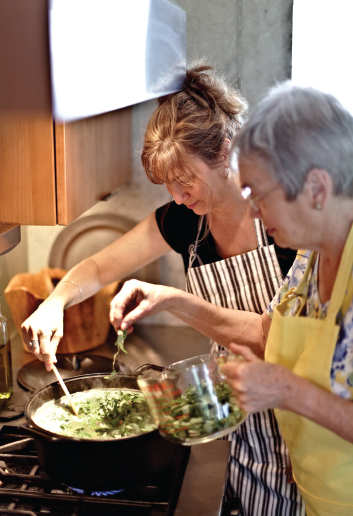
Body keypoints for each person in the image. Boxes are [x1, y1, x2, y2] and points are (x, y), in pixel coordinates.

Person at [21, 62, 302, 515]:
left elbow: (280, 338)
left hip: (298, 426)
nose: (176, 195)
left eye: (185, 178)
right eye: (167, 183)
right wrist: (56, 301)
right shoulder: (185, 220)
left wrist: (175, 302)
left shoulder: (284, 219)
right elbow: (96, 266)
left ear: (225, 153)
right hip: (226, 420)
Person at [109, 82, 353, 516]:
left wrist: (287, 390)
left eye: (262, 195)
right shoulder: (310, 260)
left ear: (317, 188)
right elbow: (265, 331)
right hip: (314, 492)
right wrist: (174, 301)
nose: (253, 211)